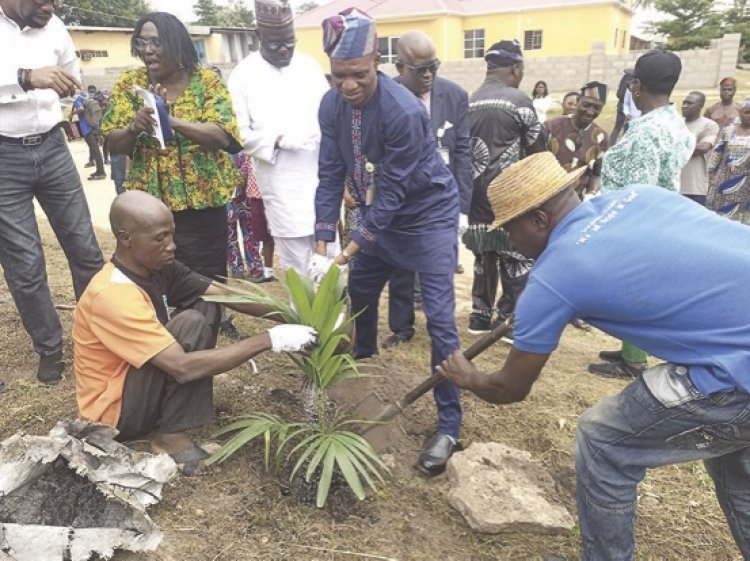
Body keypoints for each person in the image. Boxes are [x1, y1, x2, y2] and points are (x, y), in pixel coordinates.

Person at [437, 151, 750, 561]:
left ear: (538, 219)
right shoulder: (640, 195)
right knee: (732, 457)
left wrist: (470, 378)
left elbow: (511, 389)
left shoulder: (555, 274)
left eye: (509, 230)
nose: (510, 242)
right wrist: (546, 311)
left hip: (736, 372)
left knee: (604, 441)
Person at [310, 8, 462, 476]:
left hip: (427, 216)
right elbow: (331, 172)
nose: (348, 85)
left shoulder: (403, 110)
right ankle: (364, 368)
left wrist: (352, 246)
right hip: (380, 215)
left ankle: (449, 424)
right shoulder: (330, 104)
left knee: (438, 320)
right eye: (339, 76)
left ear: (377, 60)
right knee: (358, 297)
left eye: (358, 75)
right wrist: (321, 240)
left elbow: (394, 189)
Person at [73, 191, 317, 475]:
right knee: (190, 322)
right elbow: (181, 367)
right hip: (113, 416)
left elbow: (222, 294)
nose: (171, 246)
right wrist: (270, 339)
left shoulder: (156, 267)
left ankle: (174, 417)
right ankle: (170, 437)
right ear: (126, 238)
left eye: (171, 235)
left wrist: (295, 314)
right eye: (160, 238)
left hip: (137, 387)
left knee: (207, 305)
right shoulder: (112, 293)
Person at [0, 0, 104, 385]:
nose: (50, 6)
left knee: (86, 250)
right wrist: (26, 78)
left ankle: (99, 336)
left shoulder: (55, 26)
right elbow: (36, 78)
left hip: (52, 146)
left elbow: (70, 77)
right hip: (3, 155)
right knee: (24, 264)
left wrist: (67, 96)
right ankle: (50, 348)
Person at [102, 12, 242, 287]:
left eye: (156, 42)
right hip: (150, 208)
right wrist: (134, 128)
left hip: (203, 202)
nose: (148, 50)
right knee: (155, 277)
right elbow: (111, 142)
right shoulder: (130, 86)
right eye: (141, 43)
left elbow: (223, 135)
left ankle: (207, 323)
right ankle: (161, 326)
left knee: (208, 275)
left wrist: (169, 119)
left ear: (177, 44)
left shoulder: (207, 83)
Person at [589, 49, 695, 380]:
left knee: (633, 292)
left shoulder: (646, 132)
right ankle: (628, 349)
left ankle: (633, 361)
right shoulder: (674, 123)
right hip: (663, 215)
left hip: (639, 224)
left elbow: (638, 191)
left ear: (636, 86)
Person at [228, 0, 331, 276]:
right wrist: (276, 140)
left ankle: (334, 320)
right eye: (275, 44)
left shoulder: (309, 67)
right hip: (281, 182)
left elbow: (330, 115)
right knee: (298, 265)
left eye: (289, 42)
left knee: (328, 261)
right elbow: (237, 133)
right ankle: (305, 319)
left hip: (321, 177)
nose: (284, 49)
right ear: (259, 36)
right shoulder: (242, 76)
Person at [385, 30, 471, 349]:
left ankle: (441, 328)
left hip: (441, 198)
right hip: (401, 196)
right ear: (400, 67)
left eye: (434, 66)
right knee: (401, 266)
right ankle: (401, 327)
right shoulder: (386, 94)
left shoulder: (455, 95)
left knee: (439, 266)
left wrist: (462, 206)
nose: (429, 75)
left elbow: (462, 151)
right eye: (421, 69)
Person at [465, 39, 547, 336]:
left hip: (475, 196)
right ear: (516, 68)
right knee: (517, 257)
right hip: (509, 195)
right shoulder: (518, 100)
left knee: (483, 255)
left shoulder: (469, 100)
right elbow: (538, 151)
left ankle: (479, 315)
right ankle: (508, 320)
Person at [545, 81, 609, 198]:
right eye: (586, 105)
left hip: (578, 204)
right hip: (547, 200)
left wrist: (591, 194)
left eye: (597, 108)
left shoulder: (601, 137)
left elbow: (597, 174)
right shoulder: (551, 128)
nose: (590, 112)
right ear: (578, 101)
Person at [706, 98, 750, 224]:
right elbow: (716, 156)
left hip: (746, 187)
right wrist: (711, 178)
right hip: (723, 183)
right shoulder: (728, 131)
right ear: (740, 112)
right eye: (747, 112)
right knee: (719, 219)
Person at [227, 152, 264, 281]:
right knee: (229, 232)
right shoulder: (218, 141)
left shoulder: (243, 139)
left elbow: (248, 164)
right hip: (225, 192)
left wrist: (242, 182)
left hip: (246, 193)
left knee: (250, 231)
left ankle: (255, 267)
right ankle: (236, 268)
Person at [680, 91, 719, 207]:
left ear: (700, 106)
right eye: (684, 103)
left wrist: (675, 146)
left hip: (694, 188)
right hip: (673, 186)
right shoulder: (676, 124)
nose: (684, 106)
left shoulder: (709, 125)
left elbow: (703, 147)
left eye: (689, 103)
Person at [609, 68, 635, 145]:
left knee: (617, 128)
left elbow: (618, 94)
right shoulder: (634, 82)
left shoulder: (624, 79)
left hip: (621, 107)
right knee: (627, 129)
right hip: (629, 109)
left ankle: (610, 145)